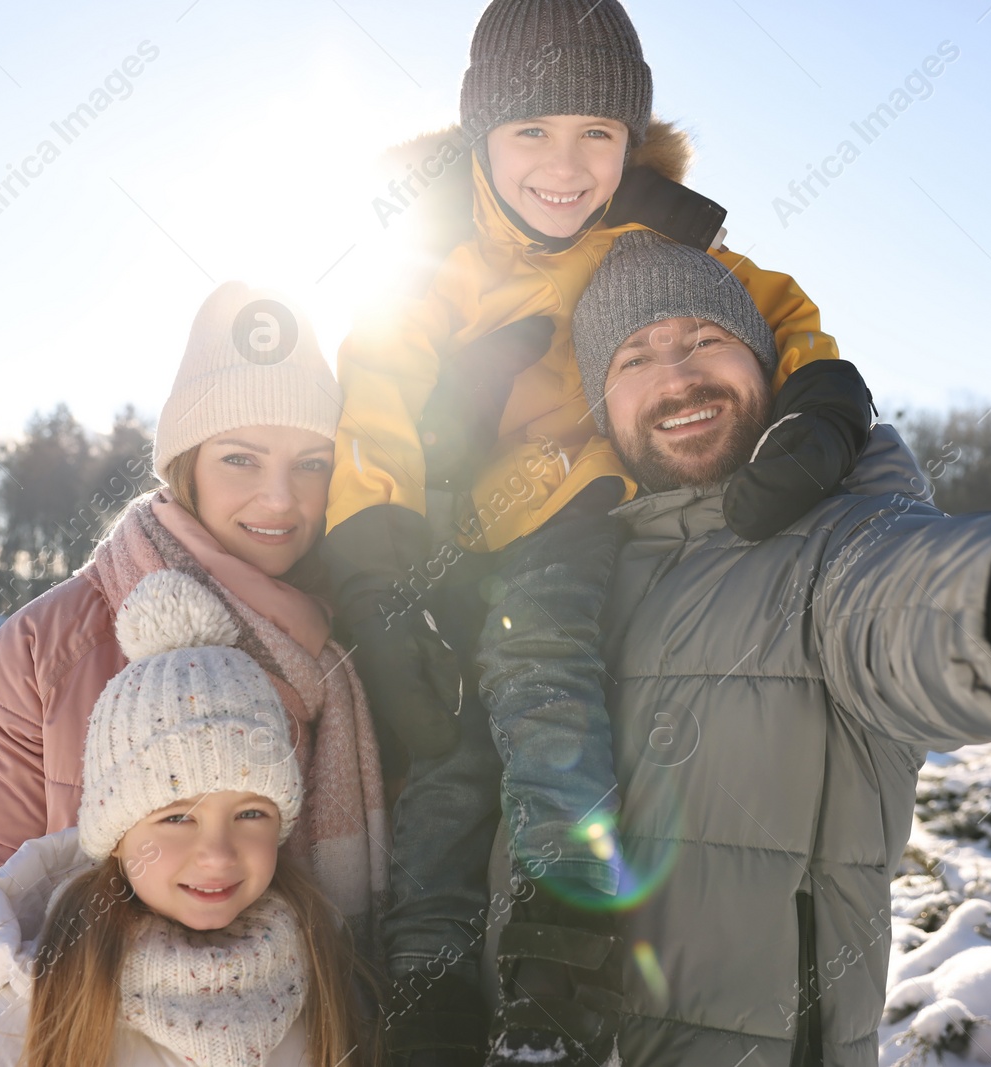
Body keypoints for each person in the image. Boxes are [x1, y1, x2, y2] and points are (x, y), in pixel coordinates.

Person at [553, 230, 991, 1066]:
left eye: (706, 339)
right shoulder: (556, 578)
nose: (677, 375)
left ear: (767, 362)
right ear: (601, 403)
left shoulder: (836, 538)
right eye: (635, 356)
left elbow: (898, 606)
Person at [320, 2, 873, 1061]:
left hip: (578, 502)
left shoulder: (655, 231)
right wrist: (377, 551)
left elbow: (778, 307)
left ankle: (559, 941)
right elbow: (378, 385)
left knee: (544, 675)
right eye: (530, 131)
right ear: (480, 135)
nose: (565, 167)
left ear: (630, 137)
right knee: (445, 756)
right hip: (455, 529)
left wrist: (820, 403)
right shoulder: (432, 251)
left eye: (597, 133)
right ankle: (427, 985)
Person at [0, 282, 389, 1066]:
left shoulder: (361, 641)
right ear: (185, 466)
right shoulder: (43, 651)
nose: (281, 497)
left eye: (312, 462)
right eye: (240, 458)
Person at [0, 570, 375, 1065]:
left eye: (250, 813)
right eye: (176, 819)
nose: (216, 854)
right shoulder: (43, 996)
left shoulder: (317, 966)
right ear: (117, 837)